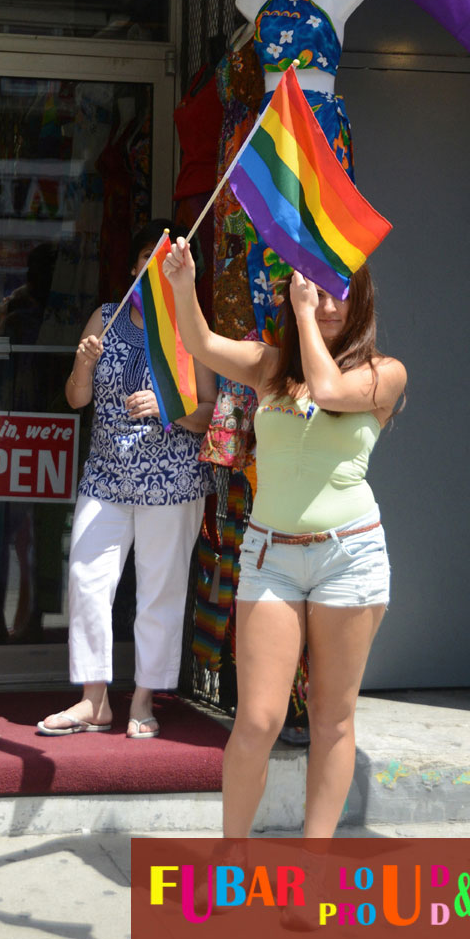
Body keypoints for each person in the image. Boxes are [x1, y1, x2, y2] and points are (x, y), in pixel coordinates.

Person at [163, 235, 406, 836]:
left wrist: (301, 316)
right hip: (270, 555)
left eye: (338, 296)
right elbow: (200, 343)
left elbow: (327, 392)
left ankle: (314, 864)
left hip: (349, 559)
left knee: (332, 720)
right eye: (314, 293)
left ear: (362, 302)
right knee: (257, 720)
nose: (325, 306)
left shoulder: (383, 374)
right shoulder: (272, 366)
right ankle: (233, 862)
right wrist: (180, 281)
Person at [38, 221, 215, 740]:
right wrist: (83, 366)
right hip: (106, 477)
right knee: (87, 579)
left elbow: (210, 412)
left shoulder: (192, 328)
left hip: (172, 482)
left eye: (164, 258)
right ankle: (94, 700)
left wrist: (168, 408)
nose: (150, 268)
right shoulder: (107, 317)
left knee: (160, 590)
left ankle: (143, 698)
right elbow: (76, 399)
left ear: (184, 269)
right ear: (133, 267)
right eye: (144, 257)